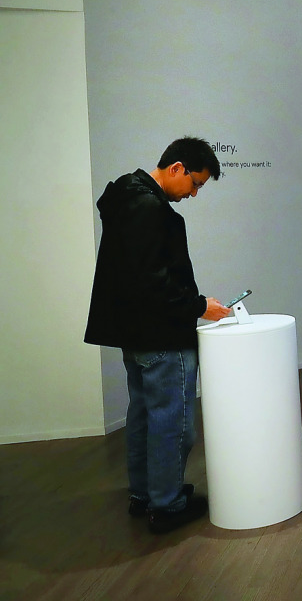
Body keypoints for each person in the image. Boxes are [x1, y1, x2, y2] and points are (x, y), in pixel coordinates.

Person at [84, 138, 230, 534]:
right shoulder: (151, 210)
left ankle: (145, 494)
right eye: (196, 184)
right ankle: (166, 505)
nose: (195, 194)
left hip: (135, 333)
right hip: (162, 336)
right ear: (178, 168)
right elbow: (155, 282)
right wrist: (201, 306)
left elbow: (135, 277)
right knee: (173, 422)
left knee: (144, 416)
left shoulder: (124, 198)